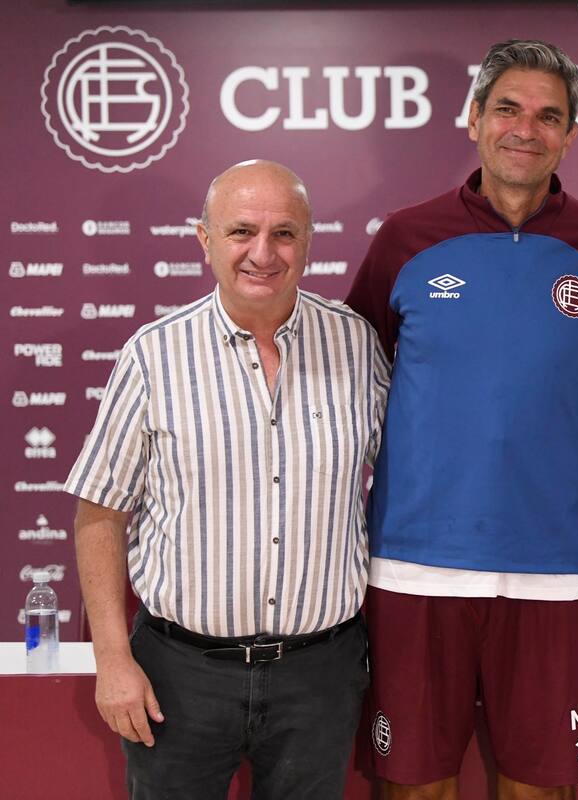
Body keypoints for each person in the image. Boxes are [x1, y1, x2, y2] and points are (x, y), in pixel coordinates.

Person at [345, 39, 578, 800]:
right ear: (475, 118)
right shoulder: (407, 238)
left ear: (571, 134)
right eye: (507, 108)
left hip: (552, 571)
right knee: (414, 785)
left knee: (541, 788)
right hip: (415, 565)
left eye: (549, 116)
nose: (526, 128)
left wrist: (564, 490)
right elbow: (352, 383)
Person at [66, 160, 389, 799]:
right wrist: (112, 661)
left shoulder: (356, 344)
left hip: (319, 676)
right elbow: (99, 513)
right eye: (241, 231)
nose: (263, 253)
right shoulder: (153, 355)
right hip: (179, 675)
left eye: (285, 234)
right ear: (204, 239)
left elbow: (414, 476)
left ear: (310, 240)